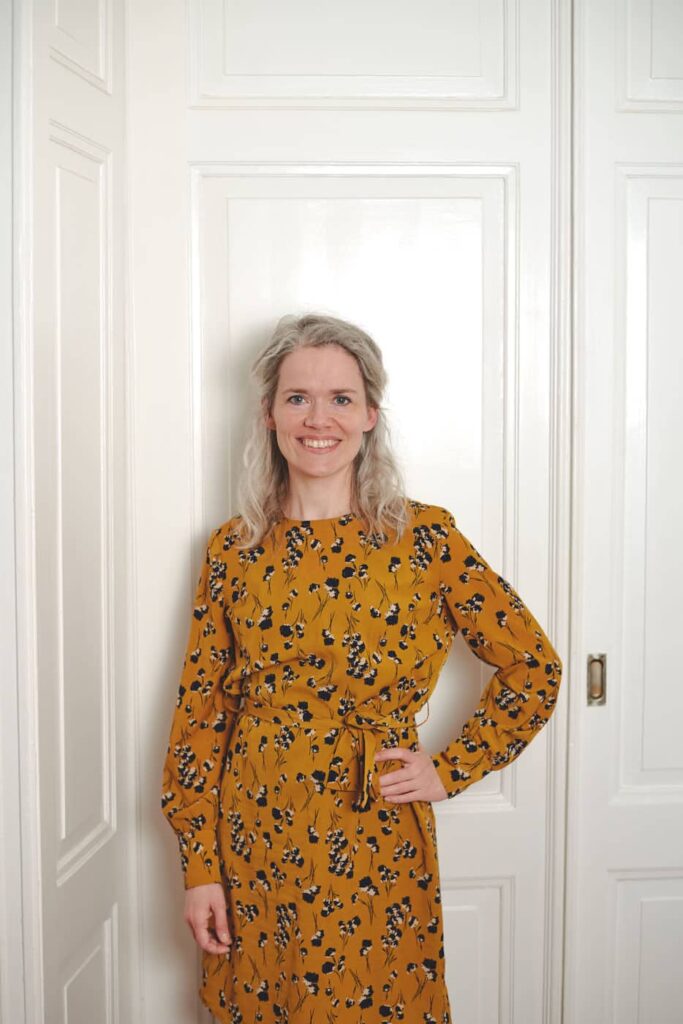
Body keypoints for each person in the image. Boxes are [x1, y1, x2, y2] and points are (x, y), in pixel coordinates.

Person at [160, 312, 563, 1023]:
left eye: (340, 398)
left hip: (373, 833)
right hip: (253, 836)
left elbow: (532, 667)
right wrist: (199, 868)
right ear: (268, 413)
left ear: (371, 413)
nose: (319, 419)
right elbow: (200, 715)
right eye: (297, 397)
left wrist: (451, 767)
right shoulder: (233, 549)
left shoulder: (425, 538)